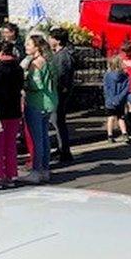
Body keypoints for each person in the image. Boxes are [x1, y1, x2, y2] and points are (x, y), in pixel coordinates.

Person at [19, 35, 57, 184]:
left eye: (29, 45)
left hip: (36, 102)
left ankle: (36, 171)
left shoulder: (36, 64)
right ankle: (45, 170)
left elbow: (37, 85)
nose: (26, 47)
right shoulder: (49, 61)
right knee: (44, 138)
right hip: (49, 102)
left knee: (37, 140)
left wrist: (24, 83)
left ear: (37, 47)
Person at [0, 42, 24, 188]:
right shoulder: (18, 68)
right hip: (14, 110)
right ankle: (11, 175)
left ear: (0, 52)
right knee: (11, 144)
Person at [48, 27, 75, 162]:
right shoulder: (61, 54)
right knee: (58, 121)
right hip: (60, 93)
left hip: (59, 94)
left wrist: (56, 91)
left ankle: (64, 151)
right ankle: (62, 148)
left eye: (51, 37)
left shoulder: (62, 56)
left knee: (58, 122)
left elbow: (59, 76)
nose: (49, 39)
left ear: (57, 40)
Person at [103, 56, 131, 144]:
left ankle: (110, 136)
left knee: (110, 118)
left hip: (110, 100)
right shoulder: (125, 76)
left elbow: (106, 88)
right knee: (121, 117)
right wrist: (119, 99)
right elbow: (126, 89)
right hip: (120, 101)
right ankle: (125, 134)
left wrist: (110, 99)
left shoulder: (107, 75)